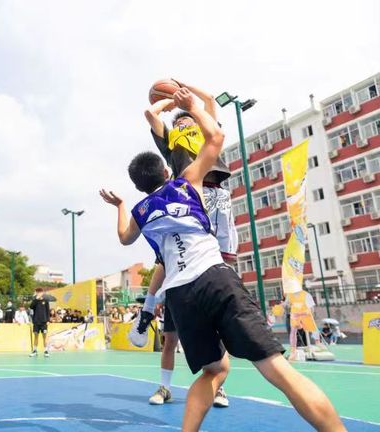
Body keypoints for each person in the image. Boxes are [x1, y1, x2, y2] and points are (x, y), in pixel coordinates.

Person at [100, 87, 344, 431]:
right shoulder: (187, 182)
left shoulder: (140, 210)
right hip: (213, 277)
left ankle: (147, 313)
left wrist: (121, 205)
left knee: (214, 370)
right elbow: (216, 136)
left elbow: (124, 238)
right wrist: (192, 105)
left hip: (180, 295)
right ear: (166, 171)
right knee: (277, 369)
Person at [133, 80, 236, 407]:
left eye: (187, 118)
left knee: (221, 264)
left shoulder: (204, 129)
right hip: (189, 197)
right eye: (179, 121)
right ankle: (148, 310)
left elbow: (208, 100)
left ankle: (218, 384)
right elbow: (150, 113)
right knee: (167, 255)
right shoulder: (172, 141)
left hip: (217, 195)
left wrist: (182, 88)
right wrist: (167, 100)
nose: (183, 123)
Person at [29, 288, 51, 357]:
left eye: (40, 291)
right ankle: (35, 351)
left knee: (44, 336)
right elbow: (31, 307)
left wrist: (48, 320)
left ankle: (46, 351)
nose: (39, 293)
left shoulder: (46, 301)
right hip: (36, 322)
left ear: (42, 292)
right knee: (36, 336)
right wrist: (36, 299)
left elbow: (48, 311)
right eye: (37, 292)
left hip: (44, 322)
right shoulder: (35, 300)